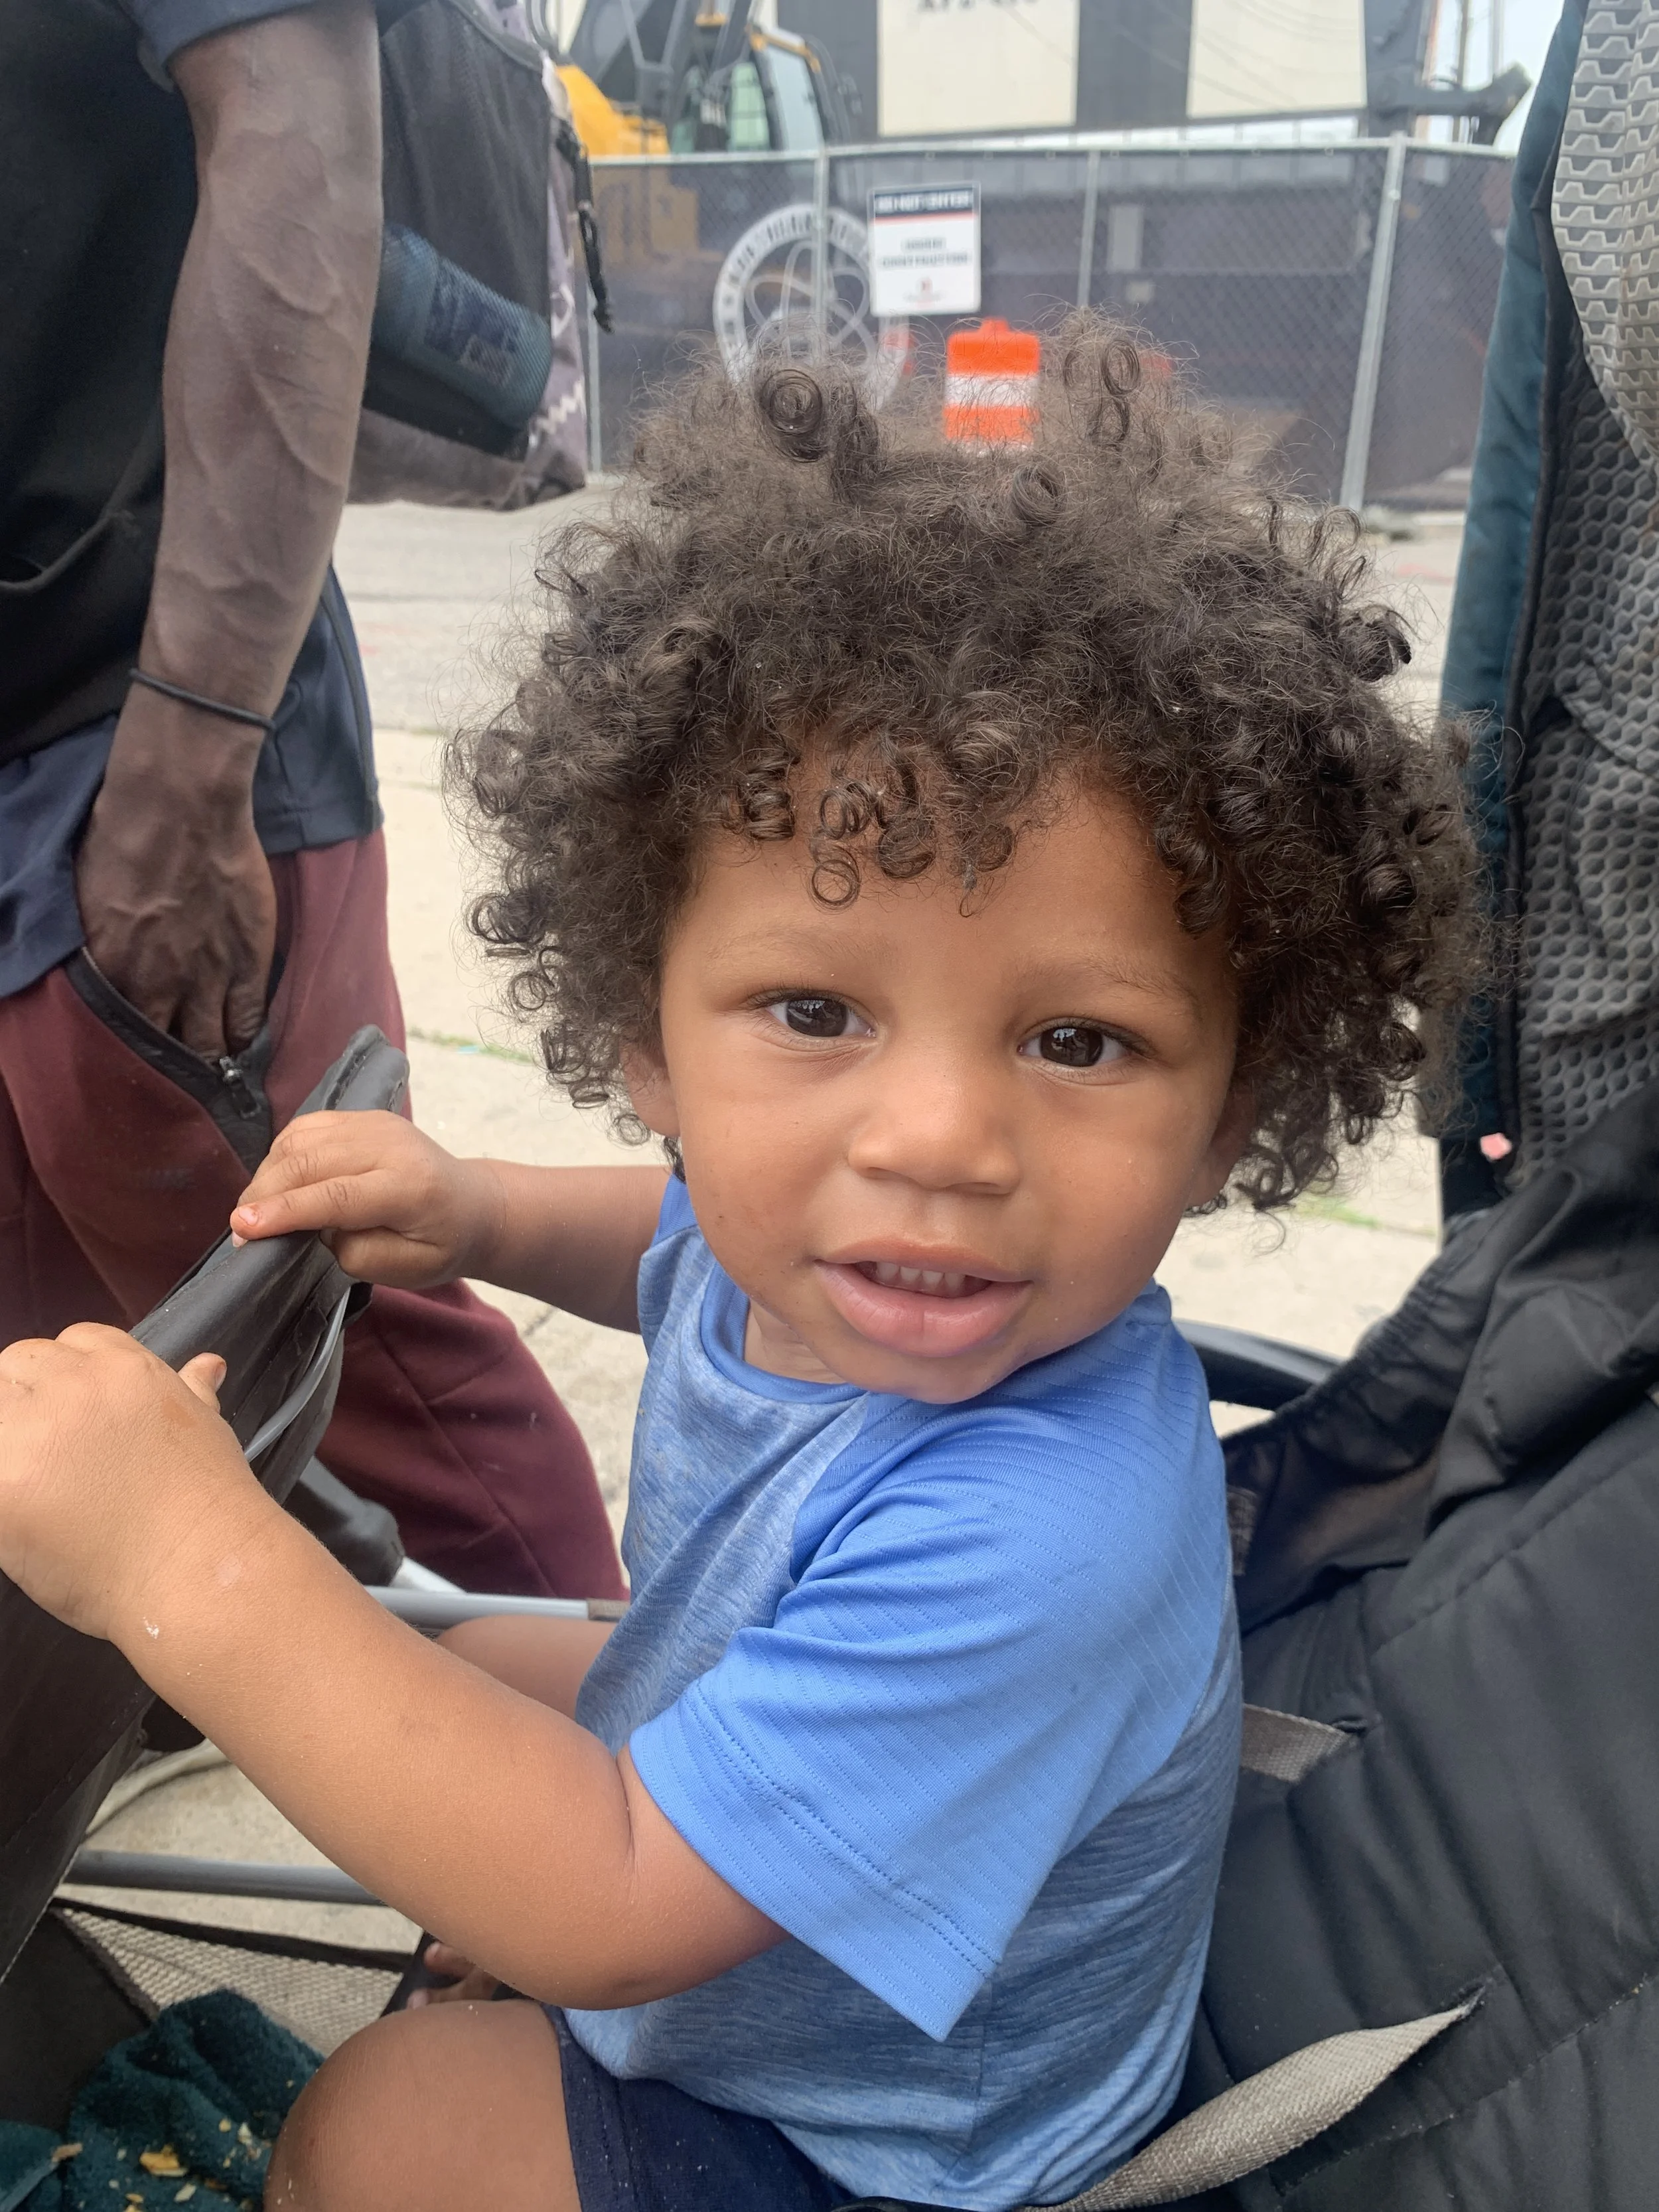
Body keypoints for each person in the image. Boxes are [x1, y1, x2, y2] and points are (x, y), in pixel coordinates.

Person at [0, 333, 1479, 2211]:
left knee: (381, 2120)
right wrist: (484, 1214)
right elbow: (683, 1246)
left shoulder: (1050, 1527)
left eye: (1079, 1041)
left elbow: (608, 1893)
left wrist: (179, 1562)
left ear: (1232, 1107)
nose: (935, 1140)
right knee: (456, 1656)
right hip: (773, 1939)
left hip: (878, 2149)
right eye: (813, 1008)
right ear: (644, 1035)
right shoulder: (856, 1256)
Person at [0, 0, 622, 1598]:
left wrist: (197, 752)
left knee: (334, 1322)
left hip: (131, 736)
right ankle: (131, 1709)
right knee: (55, 1353)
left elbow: (296, 144)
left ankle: (604, 1778)